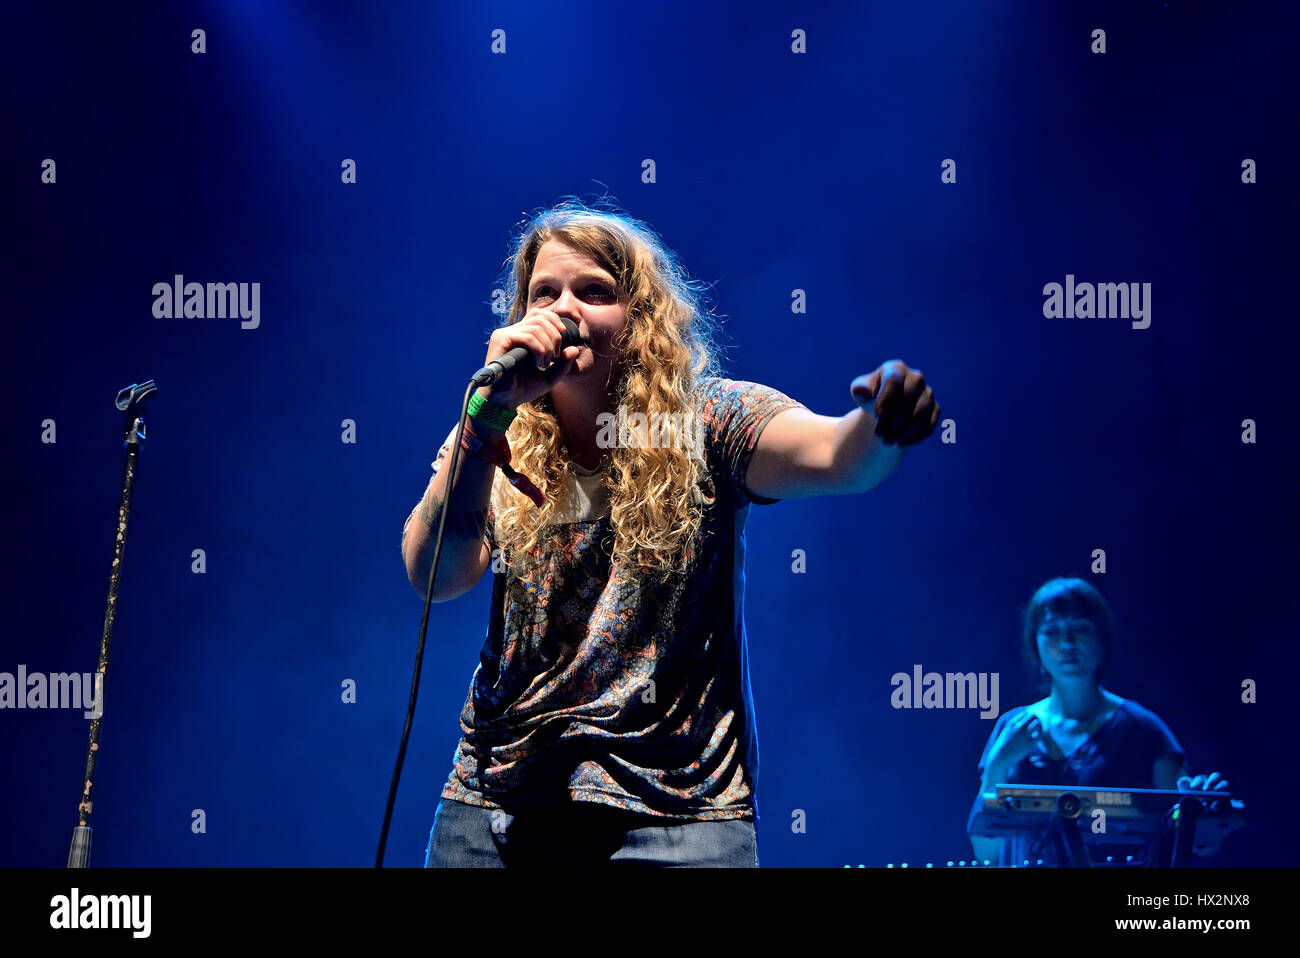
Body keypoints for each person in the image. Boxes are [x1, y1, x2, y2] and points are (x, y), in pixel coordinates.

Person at [400, 198, 941, 867]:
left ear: (639, 320)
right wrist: (482, 423)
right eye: (544, 293)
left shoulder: (707, 420)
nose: (563, 309)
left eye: (594, 292)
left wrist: (881, 422)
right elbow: (435, 575)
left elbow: (836, 455)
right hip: (497, 803)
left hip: (673, 816)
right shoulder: (492, 427)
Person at [967, 577, 1231, 866]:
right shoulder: (1012, 727)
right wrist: (999, 762)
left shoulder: (1143, 729)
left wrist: (1202, 814)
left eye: (1079, 629)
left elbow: (1186, 843)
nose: (1066, 643)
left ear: (1103, 639)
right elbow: (985, 854)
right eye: (1052, 631)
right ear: (1035, 645)